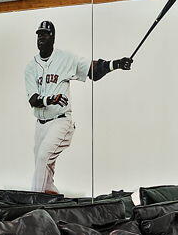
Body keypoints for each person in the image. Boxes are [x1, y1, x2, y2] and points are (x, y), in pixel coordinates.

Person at [24, 20, 133, 193]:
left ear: (52, 37)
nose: (40, 38)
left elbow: (93, 70)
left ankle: (33, 200)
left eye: (44, 34)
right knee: (44, 166)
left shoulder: (65, 58)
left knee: (43, 157)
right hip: (40, 124)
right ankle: (51, 195)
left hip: (61, 121)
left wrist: (117, 64)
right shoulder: (31, 67)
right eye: (39, 34)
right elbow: (33, 100)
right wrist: (50, 99)